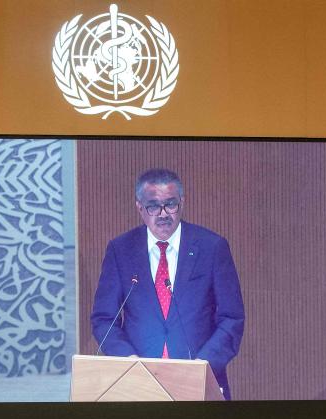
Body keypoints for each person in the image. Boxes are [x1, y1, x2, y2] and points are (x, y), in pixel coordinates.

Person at [90, 167, 244, 398]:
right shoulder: (121, 250)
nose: (163, 214)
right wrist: (128, 361)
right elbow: (104, 319)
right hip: (137, 384)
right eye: (153, 206)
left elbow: (232, 318)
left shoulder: (212, 247)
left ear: (182, 202)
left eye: (170, 204)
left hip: (200, 381)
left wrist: (203, 365)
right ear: (140, 207)